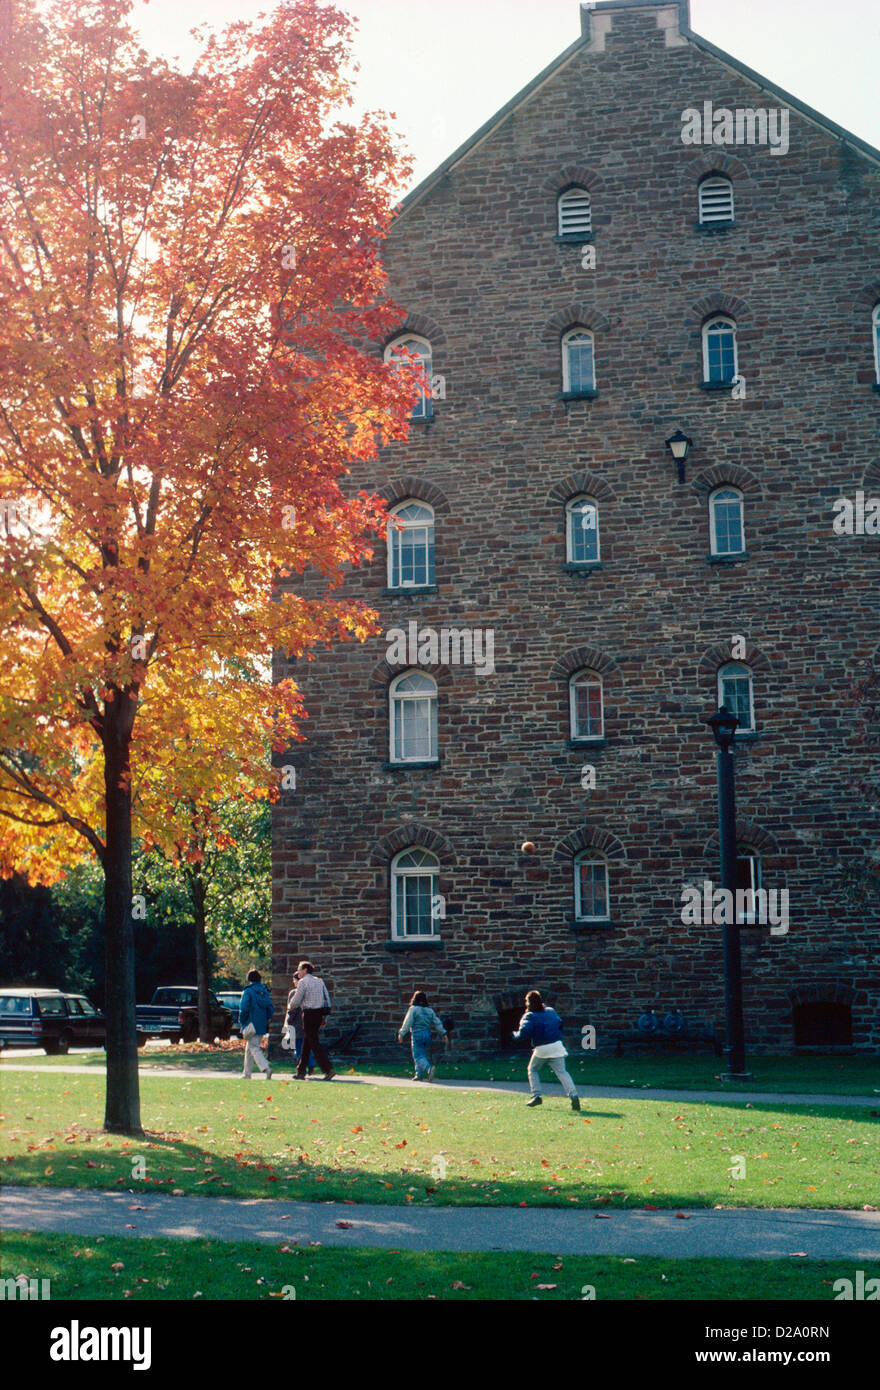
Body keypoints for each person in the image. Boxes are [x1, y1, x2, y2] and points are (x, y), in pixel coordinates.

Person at [512, 989, 580, 1111]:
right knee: (562, 1072)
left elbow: (524, 1034)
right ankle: (574, 1095)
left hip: (542, 1048)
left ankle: (537, 1095)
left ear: (529, 1003)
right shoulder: (551, 1011)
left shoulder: (530, 1016)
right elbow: (560, 1024)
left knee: (532, 1069)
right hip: (557, 1045)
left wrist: (514, 1035)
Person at [286, 960, 335, 1080]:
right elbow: (327, 998)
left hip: (308, 1014)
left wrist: (290, 1006)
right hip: (318, 1014)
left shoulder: (303, 982)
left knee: (313, 1043)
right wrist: (325, 1017)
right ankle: (301, 1071)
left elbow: (297, 999)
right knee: (307, 1043)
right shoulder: (319, 981)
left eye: (299, 969)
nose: (298, 972)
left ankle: (328, 1069)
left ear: (305, 970)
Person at [397, 990, 447, 1081]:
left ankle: (429, 1069)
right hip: (427, 1034)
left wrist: (401, 1034)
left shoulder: (413, 1009)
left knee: (417, 1055)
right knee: (422, 1054)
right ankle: (418, 1074)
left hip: (417, 1033)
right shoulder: (429, 1010)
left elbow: (407, 1023)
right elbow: (437, 1022)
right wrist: (443, 1033)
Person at [239, 969, 274, 1080]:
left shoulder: (248, 991)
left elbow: (244, 1008)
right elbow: (270, 1008)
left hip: (250, 1022)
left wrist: (242, 1021)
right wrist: (266, 1019)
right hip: (262, 1022)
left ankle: (266, 1068)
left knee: (253, 1047)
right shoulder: (265, 991)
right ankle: (247, 1073)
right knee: (250, 1047)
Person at [284, 973, 315, 1075]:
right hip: (308, 1022)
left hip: (297, 1024)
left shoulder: (294, 993)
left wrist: (288, 1021)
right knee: (306, 1046)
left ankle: (302, 1069)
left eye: (294, 980)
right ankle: (310, 1064)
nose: (293, 982)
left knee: (298, 1047)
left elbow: (292, 1009)